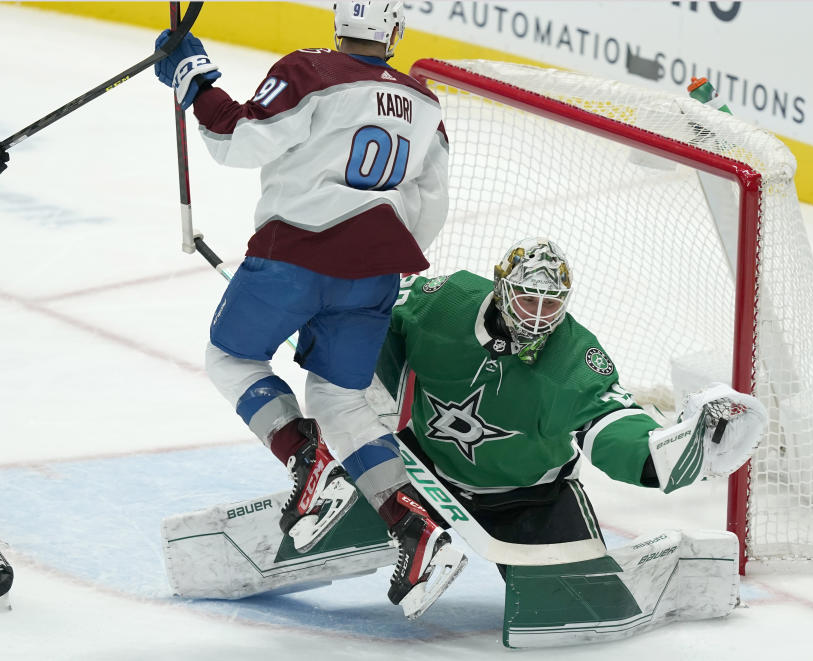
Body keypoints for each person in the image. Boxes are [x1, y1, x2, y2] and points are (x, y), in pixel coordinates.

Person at [152, 1, 459, 617]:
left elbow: (237, 140)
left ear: (339, 23)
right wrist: (381, 258)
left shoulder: (310, 71)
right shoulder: (426, 104)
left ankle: (304, 456)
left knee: (232, 358)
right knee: (340, 398)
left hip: (293, 255)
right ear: (395, 33)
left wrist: (193, 77)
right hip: (375, 271)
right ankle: (415, 527)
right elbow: (430, 202)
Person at [374, 237, 767, 577]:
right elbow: (374, 303)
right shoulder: (446, 301)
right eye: (529, 300)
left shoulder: (575, 356)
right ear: (501, 288)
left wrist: (673, 451)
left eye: (552, 303)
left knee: (578, 597)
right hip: (419, 470)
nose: (539, 316)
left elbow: (612, 422)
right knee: (330, 527)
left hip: (529, 498)